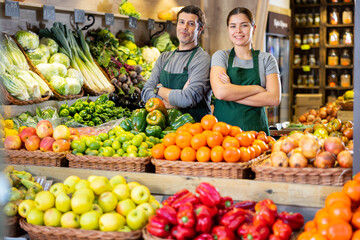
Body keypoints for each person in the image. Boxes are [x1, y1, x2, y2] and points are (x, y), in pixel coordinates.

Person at [210, 7, 281, 135]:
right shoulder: (221, 57)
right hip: (222, 136)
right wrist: (256, 89)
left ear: (253, 28)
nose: (238, 31)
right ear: (228, 29)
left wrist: (231, 92)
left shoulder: (266, 59)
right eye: (233, 26)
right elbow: (220, 93)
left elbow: (274, 98)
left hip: (256, 135)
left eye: (244, 25)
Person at [141, 5, 212, 122]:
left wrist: (158, 89)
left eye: (191, 24)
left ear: (200, 30)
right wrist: (171, 103)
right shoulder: (164, 57)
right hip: (165, 126)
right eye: (181, 22)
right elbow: (145, 92)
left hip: (194, 130)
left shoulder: (202, 59)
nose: (184, 27)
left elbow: (188, 98)